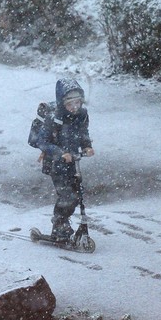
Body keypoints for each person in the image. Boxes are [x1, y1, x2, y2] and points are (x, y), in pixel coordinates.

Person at [36, 78, 94, 241]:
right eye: (71, 104)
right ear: (63, 103)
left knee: (77, 194)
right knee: (67, 196)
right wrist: (60, 153)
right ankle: (59, 225)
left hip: (73, 162)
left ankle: (63, 221)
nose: (75, 107)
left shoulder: (81, 114)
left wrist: (87, 146)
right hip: (56, 163)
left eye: (78, 103)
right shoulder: (54, 117)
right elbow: (42, 141)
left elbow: (83, 133)